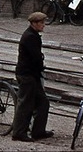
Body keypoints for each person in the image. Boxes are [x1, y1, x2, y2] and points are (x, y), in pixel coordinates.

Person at [11, 12, 53, 142]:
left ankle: (38, 131)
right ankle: (19, 133)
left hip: (32, 75)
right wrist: (41, 65)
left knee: (43, 102)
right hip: (27, 75)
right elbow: (35, 57)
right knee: (26, 104)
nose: (43, 25)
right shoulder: (30, 37)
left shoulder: (33, 35)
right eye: (41, 23)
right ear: (34, 23)